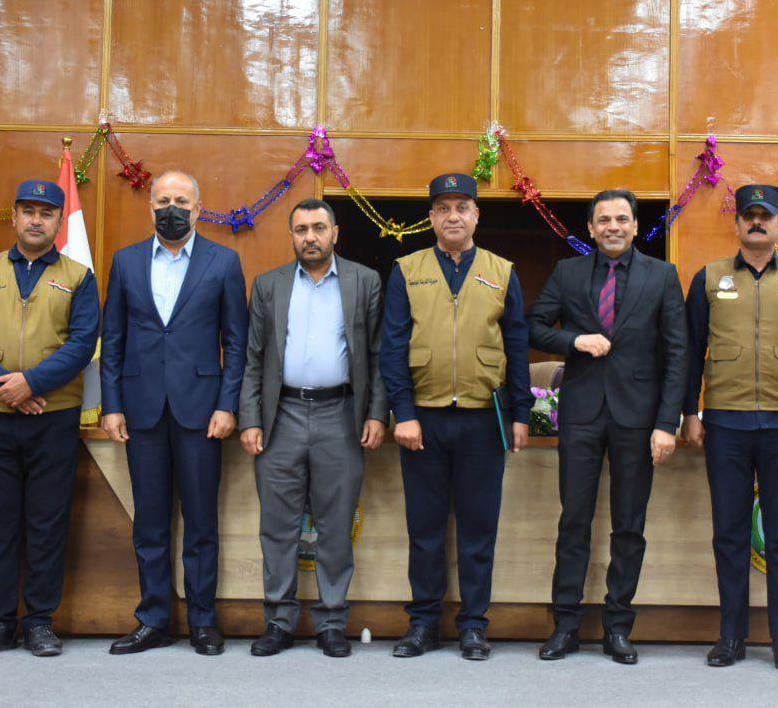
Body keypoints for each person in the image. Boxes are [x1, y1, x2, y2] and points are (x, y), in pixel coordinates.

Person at [527, 188, 687, 664]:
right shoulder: (569, 272)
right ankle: (565, 626)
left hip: (638, 418)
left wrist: (667, 423)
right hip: (581, 413)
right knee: (573, 521)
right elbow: (534, 325)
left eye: (621, 219)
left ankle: (618, 627)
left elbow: (677, 353)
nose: (613, 227)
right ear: (591, 228)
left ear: (635, 226)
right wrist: (575, 340)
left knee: (629, 527)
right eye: (603, 220)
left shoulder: (662, 275)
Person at [681, 183, 778, 672]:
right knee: (728, 533)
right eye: (749, 215)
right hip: (724, 424)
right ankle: (731, 637)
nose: (756, 222)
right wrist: (688, 412)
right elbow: (690, 350)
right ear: (737, 225)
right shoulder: (709, 279)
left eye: (766, 216)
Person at [379, 173, 531, 662]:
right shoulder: (407, 270)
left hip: (483, 420)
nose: (453, 217)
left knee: (478, 530)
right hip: (421, 421)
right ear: (431, 218)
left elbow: (518, 345)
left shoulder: (502, 271)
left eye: (462, 207)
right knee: (424, 531)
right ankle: (423, 624)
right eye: (443, 208)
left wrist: (521, 414)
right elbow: (392, 347)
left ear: (476, 216)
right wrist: (403, 413)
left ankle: (473, 626)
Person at [101, 170, 247, 657]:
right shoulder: (125, 262)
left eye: (181, 201)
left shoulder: (223, 262)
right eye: (163, 200)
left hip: (202, 412)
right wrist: (111, 405)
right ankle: (153, 620)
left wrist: (228, 404)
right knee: (149, 523)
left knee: (201, 523)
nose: (172, 209)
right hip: (141, 410)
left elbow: (236, 343)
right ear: (150, 206)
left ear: (198, 209)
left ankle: (203, 621)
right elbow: (113, 340)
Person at [0, 179, 99, 658]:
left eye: (47, 213)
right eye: (29, 211)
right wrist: (5, 386)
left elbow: (82, 343)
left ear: (58, 222)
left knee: (47, 523)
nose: (37, 220)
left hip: (53, 419)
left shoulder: (78, 276)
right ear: (14, 217)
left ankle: (39, 622)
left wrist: (32, 384)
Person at [238, 198, 387, 658]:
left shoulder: (364, 281)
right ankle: (278, 621)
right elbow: (253, 358)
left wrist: (376, 413)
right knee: (277, 525)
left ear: (334, 233)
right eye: (301, 229)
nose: (310, 237)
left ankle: (331, 621)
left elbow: (379, 355)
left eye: (318, 228)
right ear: (292, 237)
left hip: (339, 414)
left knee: (335, 524)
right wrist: (250, 418)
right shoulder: (269, 285)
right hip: (280, 416)